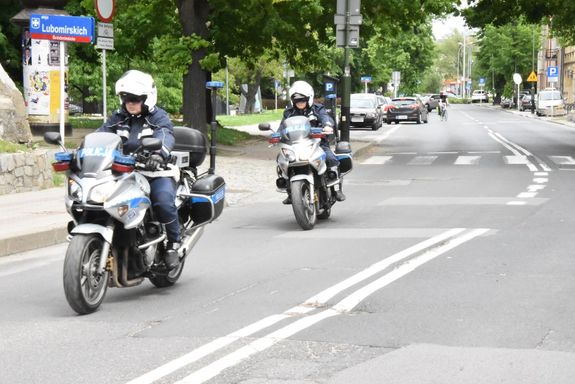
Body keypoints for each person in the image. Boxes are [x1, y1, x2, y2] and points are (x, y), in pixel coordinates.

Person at [97, 70, 181, 269]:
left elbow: (165, 135)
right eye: (126, 98)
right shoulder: (117, 117)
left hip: (155, 172)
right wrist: (82, 151)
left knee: (162, 201)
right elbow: (100, 135)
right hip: (123, 173)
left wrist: (158, 154)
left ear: (147, 98)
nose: (130, 102)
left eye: (135, 99)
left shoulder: (158, 117)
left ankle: (173, 244)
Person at [279, 80, 345, 204]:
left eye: (302, 100)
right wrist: (276, 134)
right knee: (282, 160)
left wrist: (327, 125)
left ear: (309, 98)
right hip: (296, 145)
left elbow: (326, 117)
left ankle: (336, 189)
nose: (299, 103)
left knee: (330, 158)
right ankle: (290, 191)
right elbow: (282, 126)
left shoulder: (317, 108)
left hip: (317, 143)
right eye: (297, 100)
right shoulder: (289, 112)